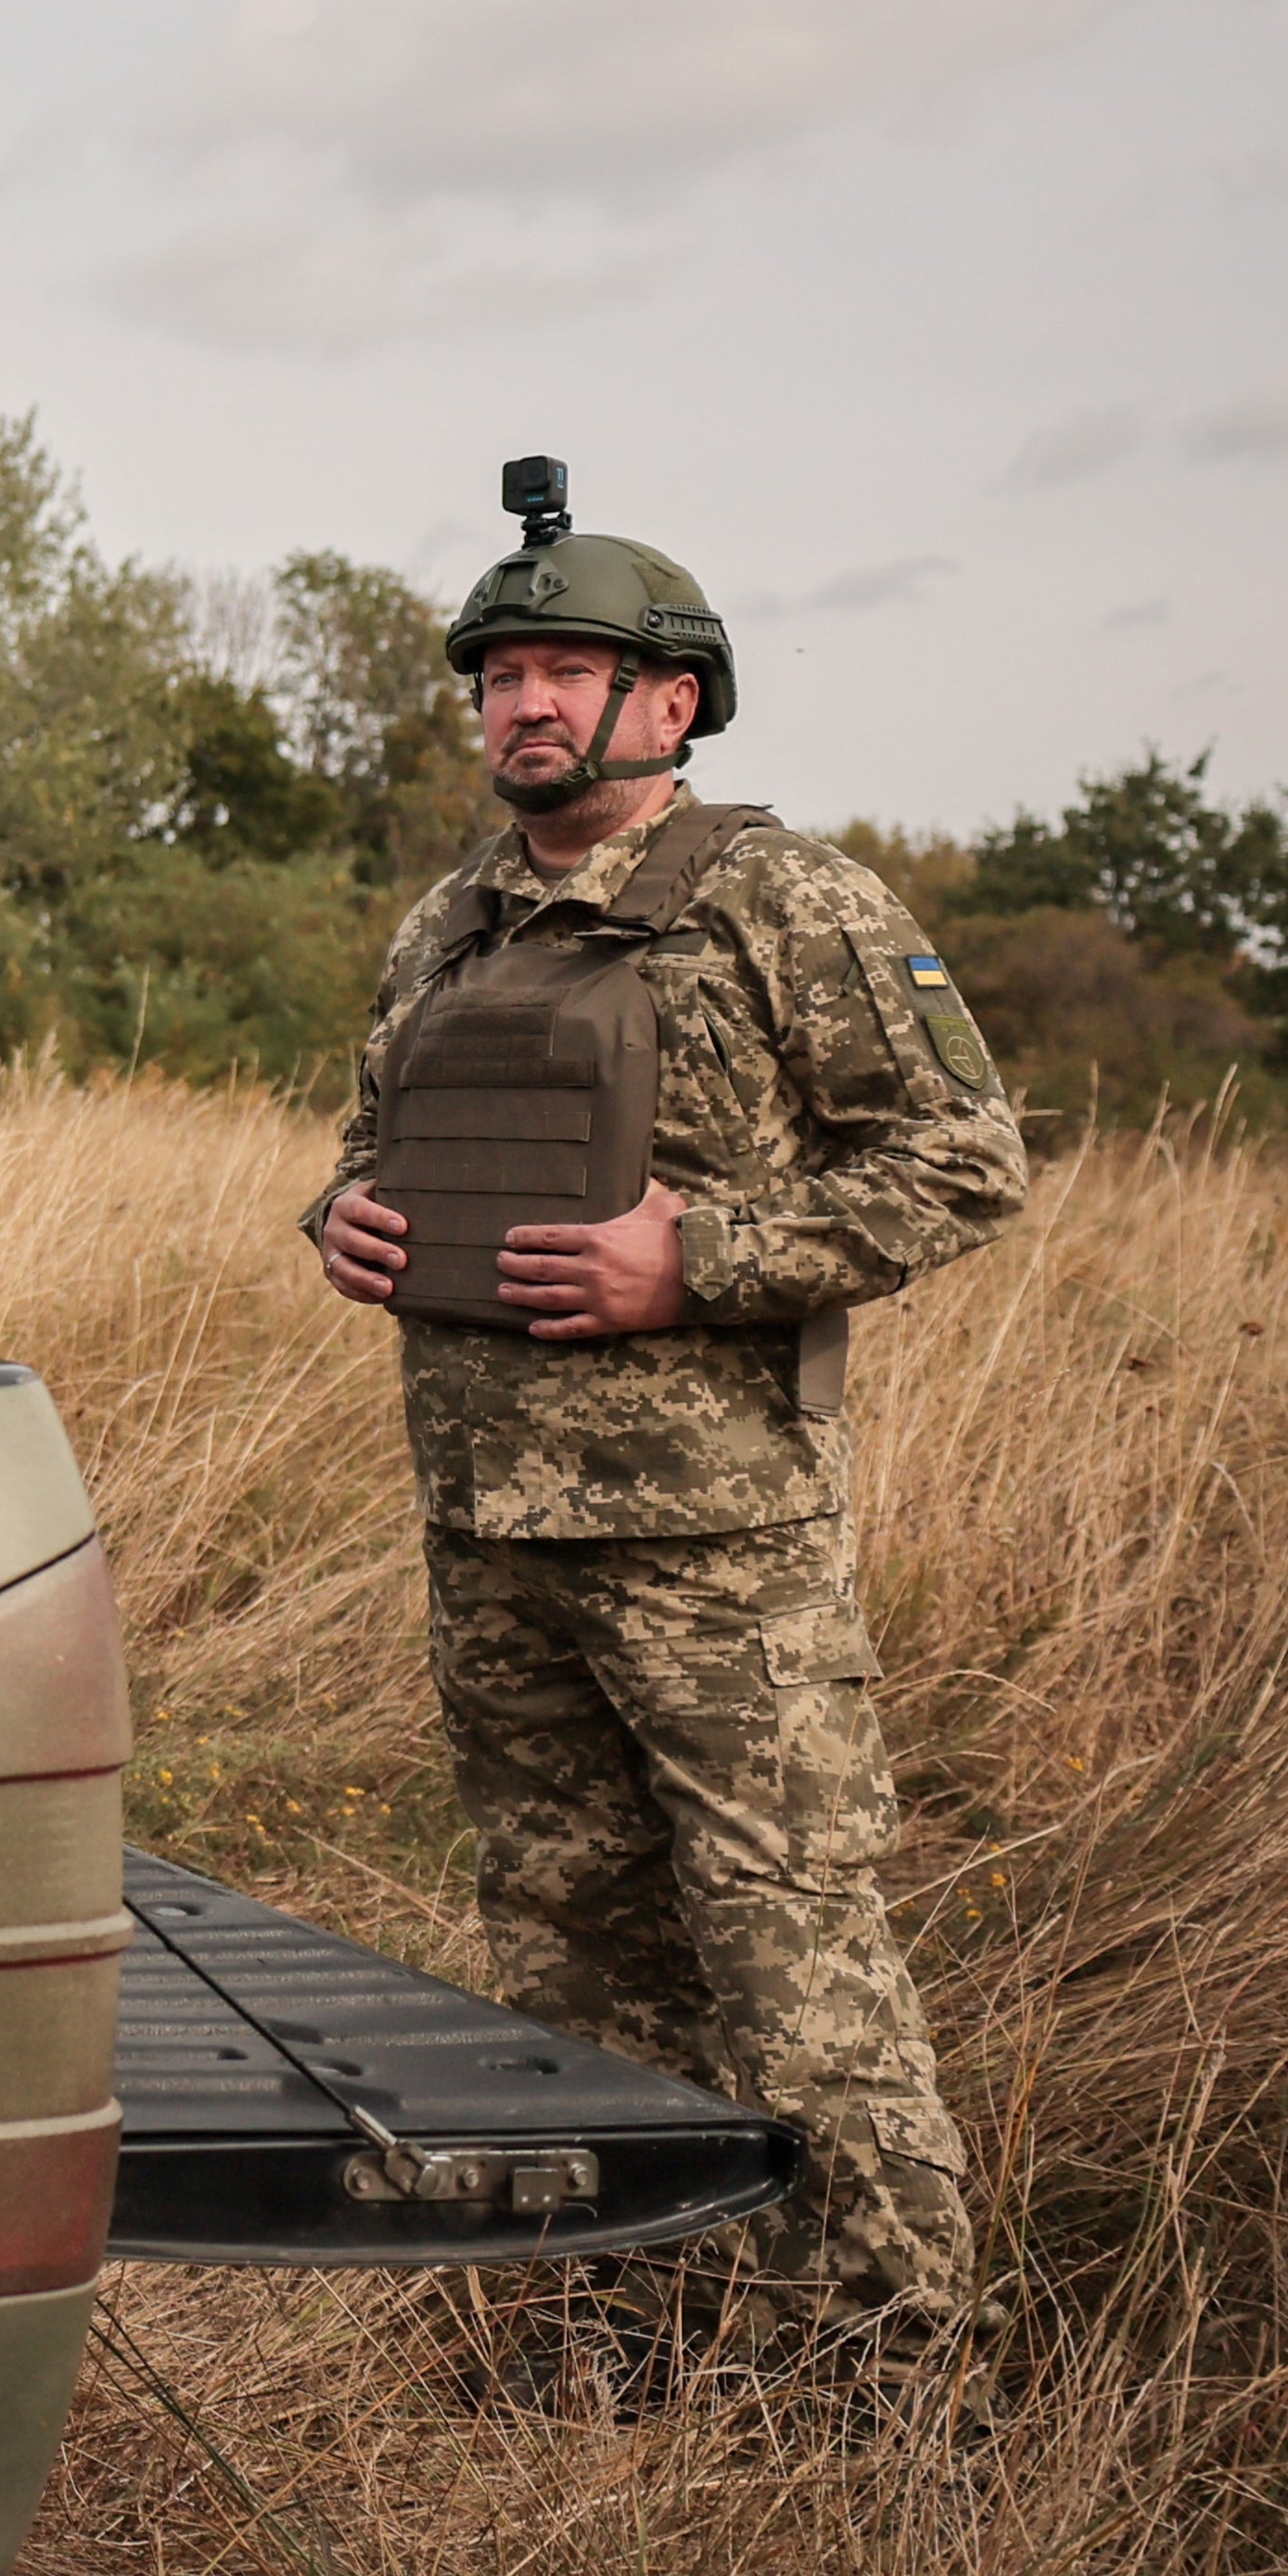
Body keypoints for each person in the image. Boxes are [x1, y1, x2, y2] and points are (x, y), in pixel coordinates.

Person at [305, 468, 1028, 2366]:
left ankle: (899, 2375)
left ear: (676, 701)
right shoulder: (443, 925)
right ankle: (642, 2329)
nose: (522, 703)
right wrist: (343, 1213)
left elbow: (968, 1158)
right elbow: (377, 1149)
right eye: (499, 673)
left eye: (567, 669)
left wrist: (695, 1257)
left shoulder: (791, 899)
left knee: (798, 1964)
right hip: (490, 1533)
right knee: (570, 1967)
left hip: (714, 1549)